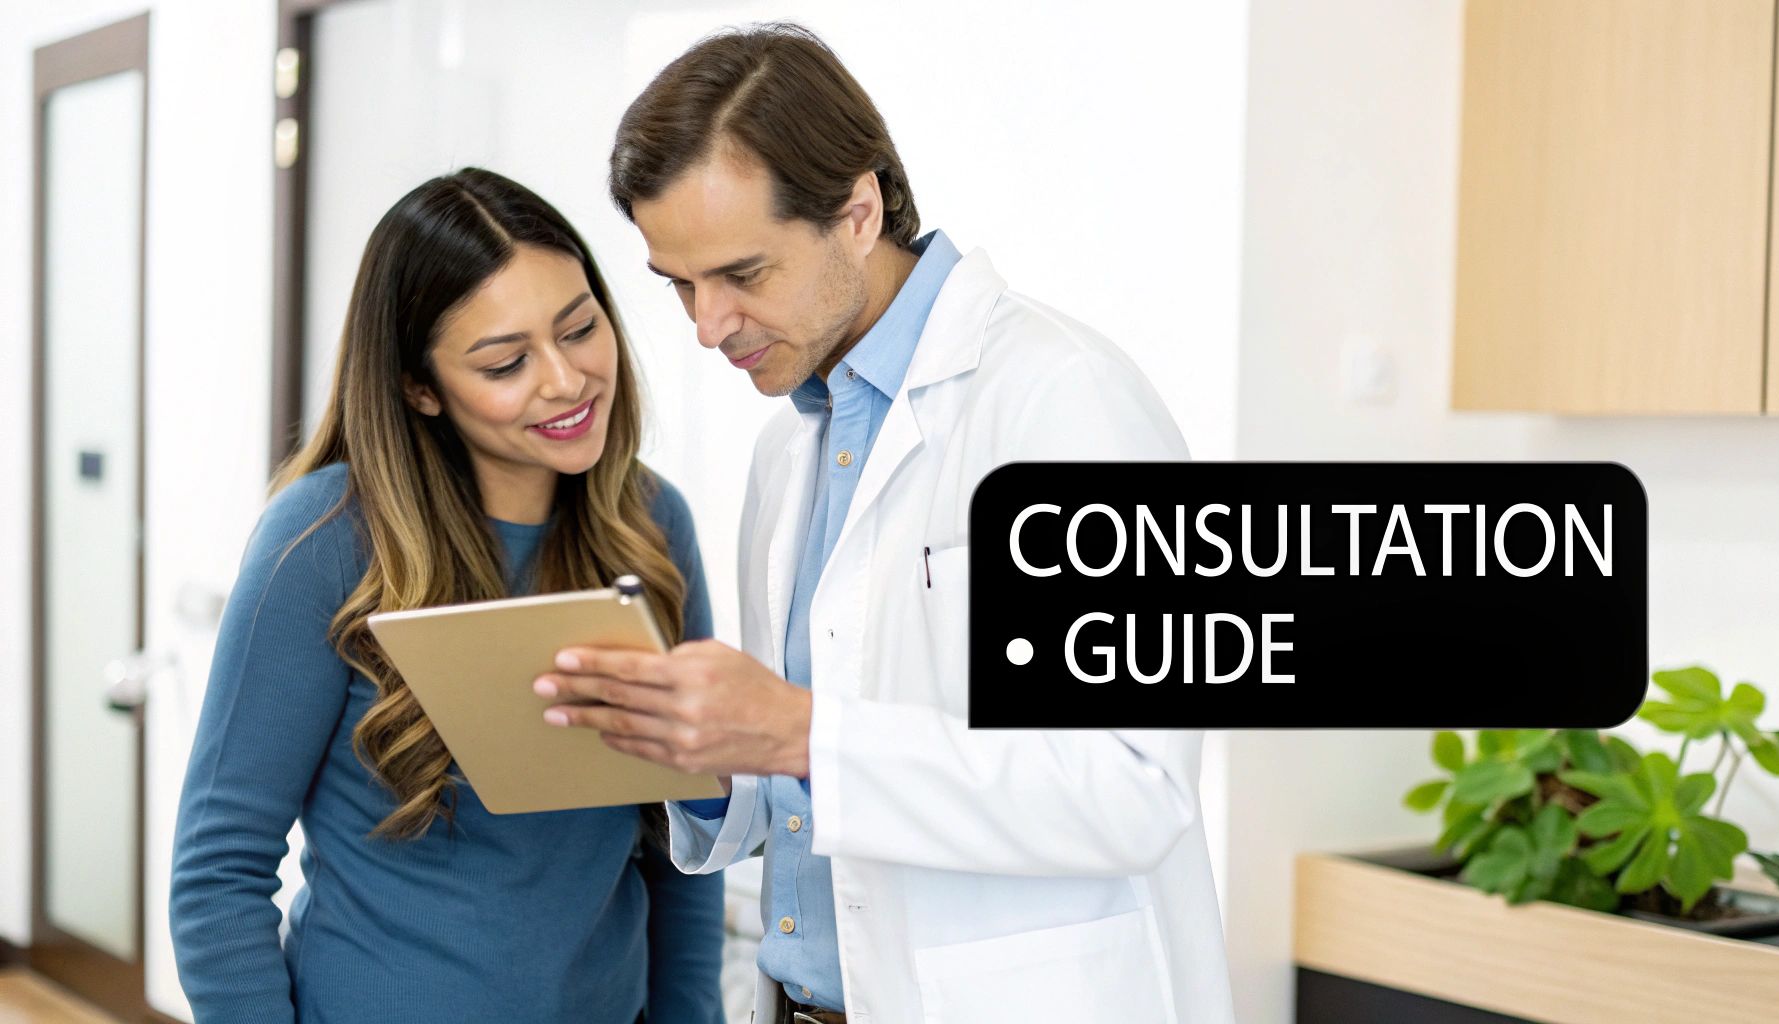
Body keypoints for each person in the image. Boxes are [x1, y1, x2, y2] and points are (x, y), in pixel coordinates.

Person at [533, 24, 1235, 1024]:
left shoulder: (1059, 400)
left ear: (856, 212)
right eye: (680, 284)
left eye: (741, 274)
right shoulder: (791, 450)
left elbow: (1131, 784)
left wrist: (801, 732)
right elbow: (808, 786)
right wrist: (689, 756)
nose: (705, 325)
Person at [170, 168, 724, 1024]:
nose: (567, 381)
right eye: (506, 362)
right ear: (419, 388)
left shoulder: (650, 527)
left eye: (581, 330)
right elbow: (217, 875)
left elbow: (684, 847)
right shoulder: (321, 543)